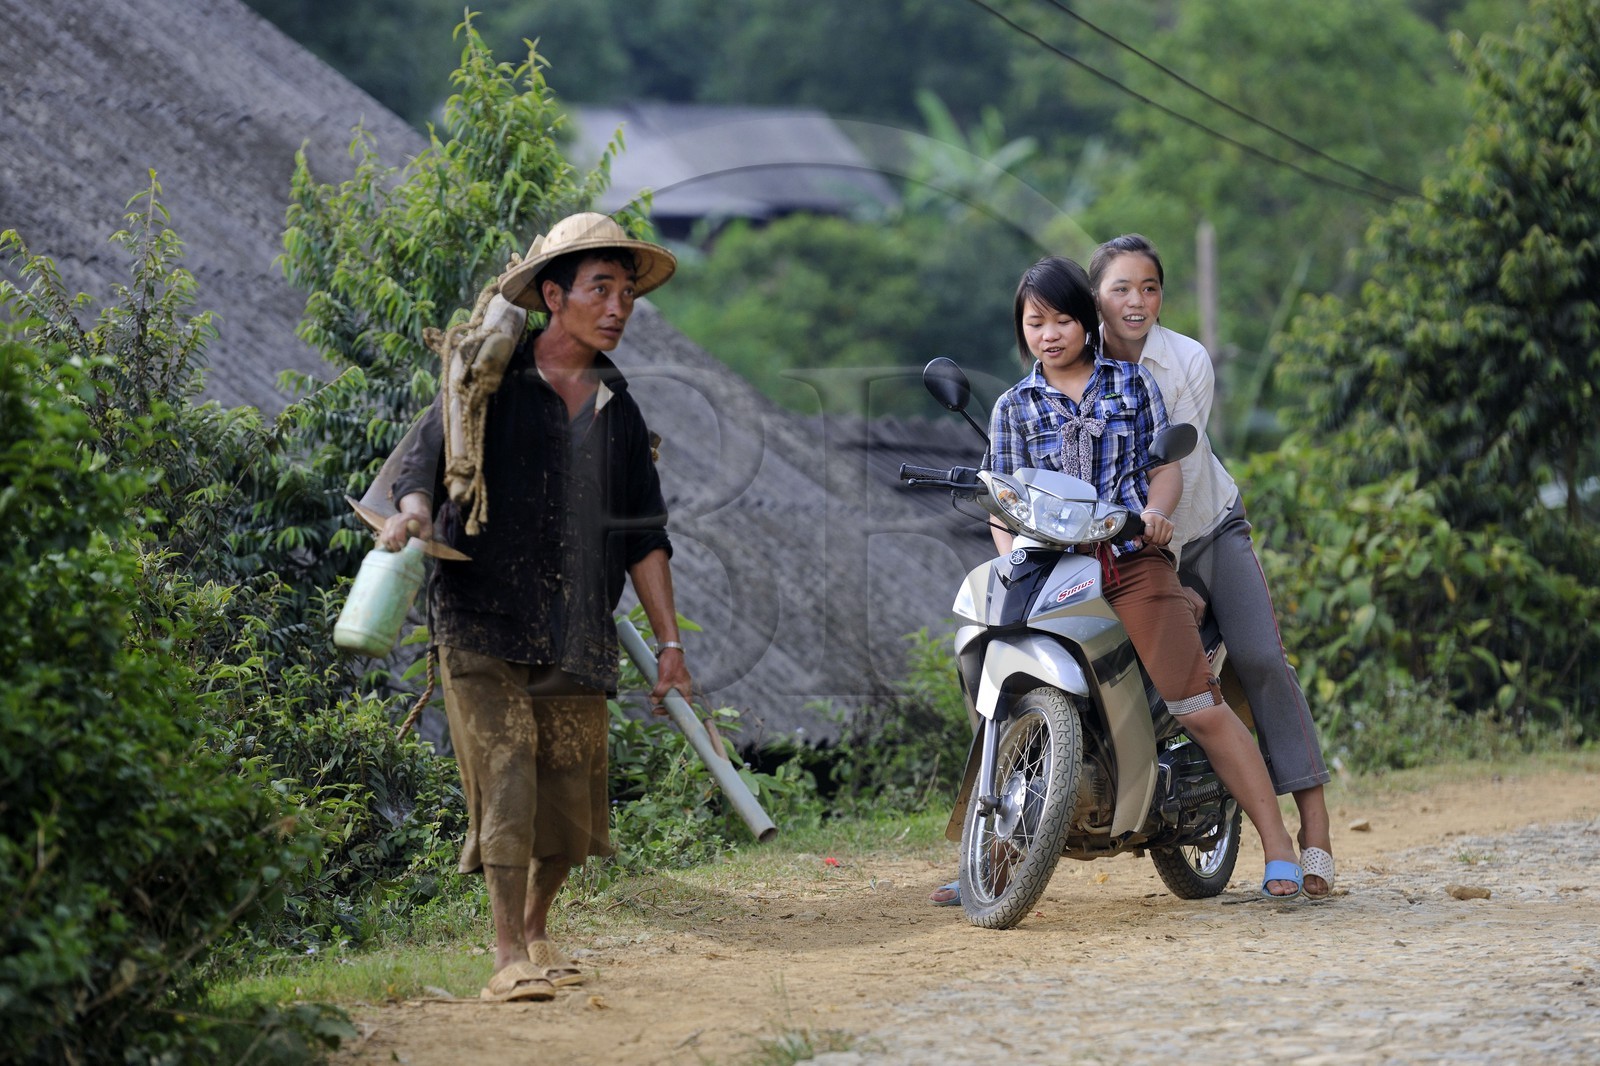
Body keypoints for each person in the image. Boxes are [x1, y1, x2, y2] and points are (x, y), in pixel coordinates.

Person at [379, 212, 694, 1002]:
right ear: (553, 295)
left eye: (627, 293)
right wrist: (412, 513)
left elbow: (646, 538)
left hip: (577, 630)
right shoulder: (487, 378)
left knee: (570, 803)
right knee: (509, 775)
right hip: (481, 616)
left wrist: (669, 646)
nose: (618, 306)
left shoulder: (620, 416)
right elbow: (422, 461)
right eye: (600, 289)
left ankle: (540, 927)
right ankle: (505, 954)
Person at [946, 254, 1302, 901]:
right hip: (1044, 564)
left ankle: (1279, 844)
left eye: (1061, 320)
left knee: (1197, 703)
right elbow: (1000, 498)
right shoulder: (1012, 407)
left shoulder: (1129, 387)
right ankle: (991, 853)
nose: (1048, 334)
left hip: (1128, 561)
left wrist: (1157, 513)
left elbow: (1165, 465)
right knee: (992, 676)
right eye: (1034, 323)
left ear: (1086, 322)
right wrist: (1008, 552)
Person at [1089, 233, 1334, 897]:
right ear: (1095, 298)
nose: (1137, 301)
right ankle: (1000, 847)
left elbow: (1178, 472)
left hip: (1204, 530)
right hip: (1130, 549)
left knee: (1258, 659)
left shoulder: (1186, 360)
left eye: (1149, 288)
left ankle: (1313, 831)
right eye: (1121, 288)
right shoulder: (1077, 361)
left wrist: (1172, 576)